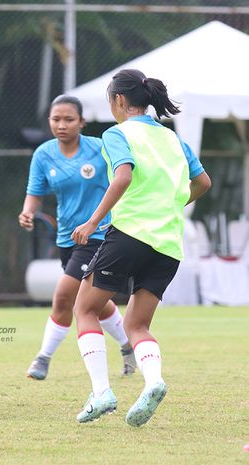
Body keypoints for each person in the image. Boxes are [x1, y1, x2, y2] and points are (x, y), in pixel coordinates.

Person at [70, 69, 211, 426]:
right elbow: (203, 182)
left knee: (85, 309)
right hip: (167, 244)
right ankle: (153, 381)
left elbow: (123, 176)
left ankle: (101, 392)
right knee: (137, 324)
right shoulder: (173, 139)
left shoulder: (117, 134)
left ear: (119, 100)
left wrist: (91, 222)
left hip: (130, 234)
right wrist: (170, 205)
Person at [20, 95, 136, 381]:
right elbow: (35, 193)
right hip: (67, 239)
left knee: (63, 297)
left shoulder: (100, 148)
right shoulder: (44, 154)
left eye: (69, 119)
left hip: (98, 236)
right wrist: (27, 212)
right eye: (56, 119)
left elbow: (125, 177)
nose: (62, 125)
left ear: (82, 122)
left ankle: (43, 358)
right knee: (92, 301)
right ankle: (127, 344)